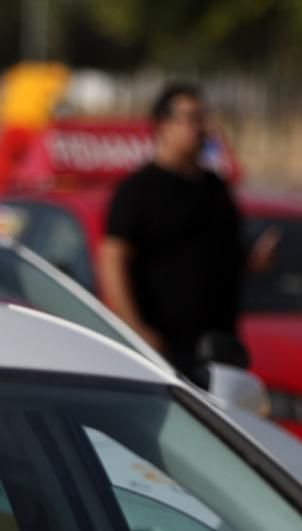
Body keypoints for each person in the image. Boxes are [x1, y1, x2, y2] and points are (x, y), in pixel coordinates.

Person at [99, 82, 276, 377]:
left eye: (203, 118)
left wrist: (252, 264)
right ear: (163, 126)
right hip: (165, 347)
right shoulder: (137, 190)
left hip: (219, 345)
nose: (201, 128)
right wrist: (136, 328)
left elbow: (218, 257)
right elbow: (111, 259)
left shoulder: (215, 187)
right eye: (191, 118)